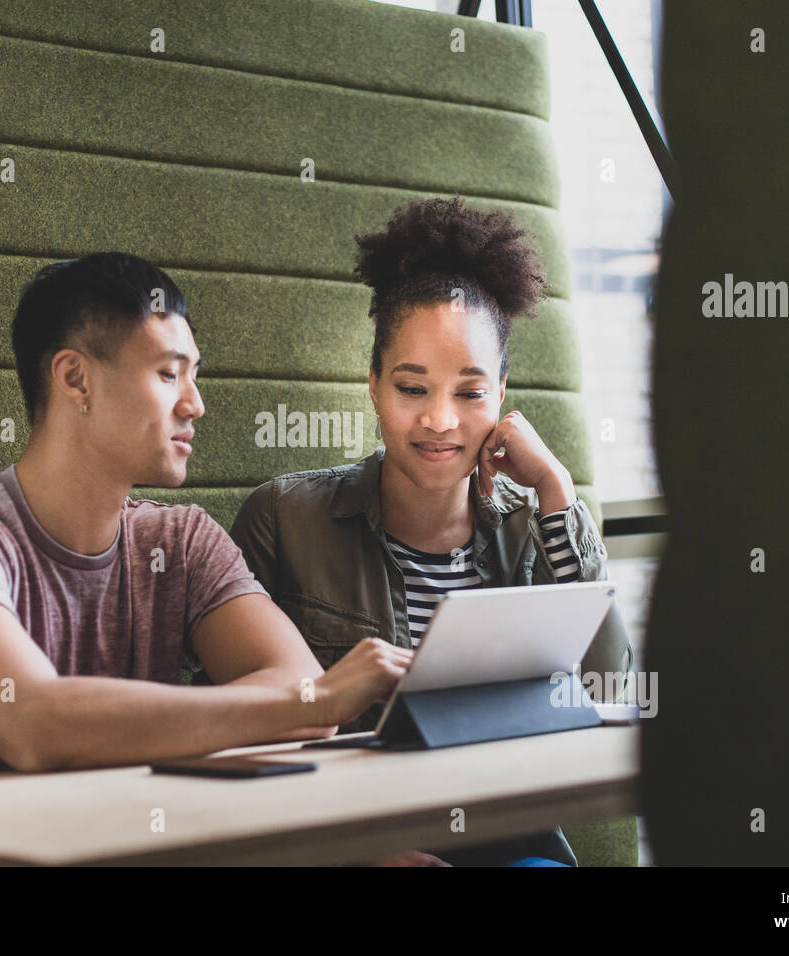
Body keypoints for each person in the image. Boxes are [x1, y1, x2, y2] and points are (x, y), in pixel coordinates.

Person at [0, 253, 407, 785]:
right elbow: (33, 723)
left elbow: (304, 691)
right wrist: (298, 703)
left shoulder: (181, 542)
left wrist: (307, 700)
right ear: (76, 379)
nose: (195, 404)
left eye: (195, 376)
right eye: (169, 374)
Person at [229, 196, 633, 866]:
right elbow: (228, 732)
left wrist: (557, 493)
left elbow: (615, 699)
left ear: (501, 396)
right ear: (373, 385)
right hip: (346, 846)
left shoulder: (535, 531)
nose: (440, 421)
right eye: (412, 389)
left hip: (510, 848)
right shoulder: (282, 519)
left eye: (470, 393)